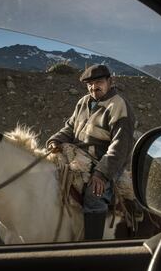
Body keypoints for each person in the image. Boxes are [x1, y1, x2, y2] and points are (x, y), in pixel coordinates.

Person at [46, 64, 135, 240]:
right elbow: (70, 128)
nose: (94, 88)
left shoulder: (119, 106)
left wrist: (101, 174)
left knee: (94, 195)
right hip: (79, 156)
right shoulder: (83, 102)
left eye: (99, 82)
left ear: (110, 81)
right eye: (90, 84)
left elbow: (120, 146)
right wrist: (55, 140)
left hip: (106, 161)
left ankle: (93, 247)